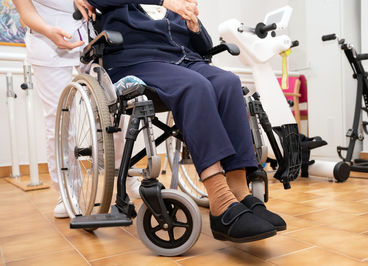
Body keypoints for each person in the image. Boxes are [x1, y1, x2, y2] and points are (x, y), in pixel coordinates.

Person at [88, 0, 287, 242]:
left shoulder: (178, 5)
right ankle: (220, 201)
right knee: (195, 86)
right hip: (138, 61)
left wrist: (194, 27)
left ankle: (239, 190)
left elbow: (204, 46)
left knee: (228, 83)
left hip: (185, 61)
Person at [12, 0, 141, 218]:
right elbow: (25, 11)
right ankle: (67, 190)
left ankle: (125, 177)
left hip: (90, 36)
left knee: (113, 108)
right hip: (47, 39)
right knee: (59, 119)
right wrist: (47, 30)